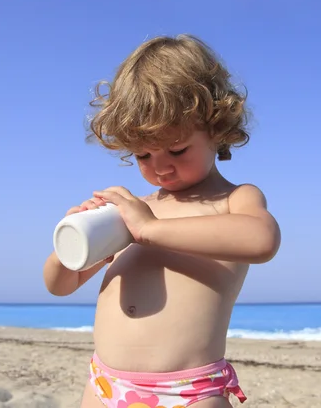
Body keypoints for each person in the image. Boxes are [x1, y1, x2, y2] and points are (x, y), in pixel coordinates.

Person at [43, 34, 281, 408]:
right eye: (143, 155)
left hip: (188, 392)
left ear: (217, 128)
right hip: (107, 385)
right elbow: (60, 285)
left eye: (177, 149)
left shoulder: (234, 199)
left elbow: (262, 239)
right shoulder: (132, 212)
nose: (161, 167)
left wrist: (150, 229)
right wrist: (72, 243)